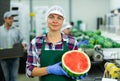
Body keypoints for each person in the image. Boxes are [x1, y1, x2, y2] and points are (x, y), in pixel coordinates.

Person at [26, 5, 87, 81]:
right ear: (46, 19)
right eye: (51, 17)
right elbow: (29, 71)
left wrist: (79, 72)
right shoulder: (36, 42)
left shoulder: (72, 42)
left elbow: (76, 65)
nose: (55, 21)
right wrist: (49, 69)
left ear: (63, 21)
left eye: (59, 18)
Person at [0, 11, 27, 81]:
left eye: (12, 18)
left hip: (15, 58)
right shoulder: (0, 30)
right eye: (9, 18)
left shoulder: (16, 30)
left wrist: (24, 44)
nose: (11, 20)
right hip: (3, 58)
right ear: (5, 19)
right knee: (6, 77)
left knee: (14, 77)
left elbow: (23, 39)